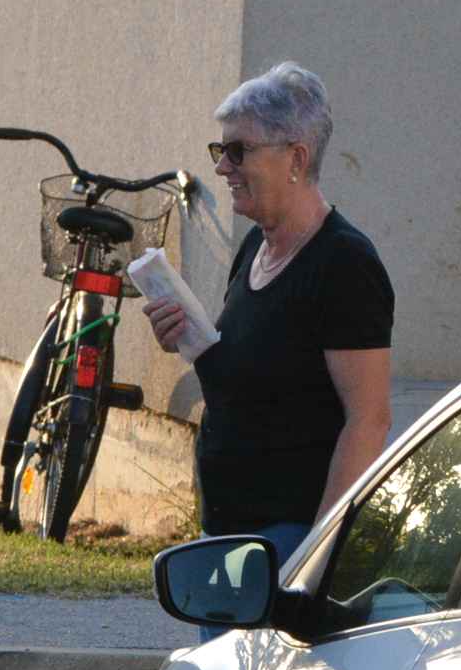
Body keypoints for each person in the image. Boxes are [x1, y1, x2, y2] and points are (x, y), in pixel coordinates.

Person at [142, 61, 392, 567]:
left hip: (286, 543)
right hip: (228, 532)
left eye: (238, 151)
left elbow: (369, 420)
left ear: (295, 158)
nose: (221, 168)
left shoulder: (344, 264)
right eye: (221, 150)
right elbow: (254, 371)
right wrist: (182, 336)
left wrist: (314, 558)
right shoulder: (258, 244)